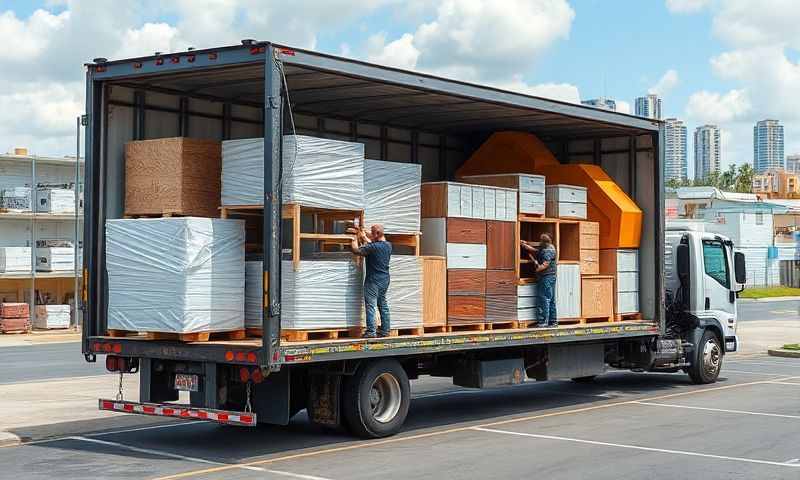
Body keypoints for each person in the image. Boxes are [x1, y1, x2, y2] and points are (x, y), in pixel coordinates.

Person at [351, 224, 392, 338]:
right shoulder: (388, 245)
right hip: (385, 279)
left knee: (370, 306)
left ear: (377, 234)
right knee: (382, 304)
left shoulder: (373, 247)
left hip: (373, 280)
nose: (370, 234)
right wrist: (364, 236)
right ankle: (385, 330)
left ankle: (371, 332)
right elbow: (372, 245)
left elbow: (356, 250)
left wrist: (354, 239)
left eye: (372, 232)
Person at [520, 234, 558, 327]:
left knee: (544, 298)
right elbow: (536, 251)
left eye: (541, 241)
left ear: (545, 242)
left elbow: (545, 264)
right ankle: (552, 321)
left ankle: (544, 321)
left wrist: (537, 268)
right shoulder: (546, 248)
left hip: (547, 277)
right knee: (550, 299)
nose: (540, 242)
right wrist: (525, 246)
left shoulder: (548, 250)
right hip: (549, 276)